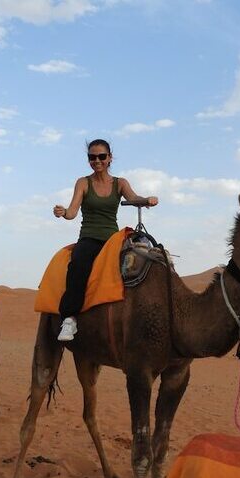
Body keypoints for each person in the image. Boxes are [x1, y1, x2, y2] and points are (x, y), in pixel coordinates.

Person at [53, 139, 158, 341]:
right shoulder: (83, 183)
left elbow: (134, 197)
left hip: (113, 238)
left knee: (145, 260)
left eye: (101, 156)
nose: (97, 161)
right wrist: (63, 212)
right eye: (92, 157)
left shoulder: (120, 183)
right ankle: (69, 318)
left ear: (110, 158)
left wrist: (147, 201)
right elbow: (73, 211)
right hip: (90, 237)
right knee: (78, 265)